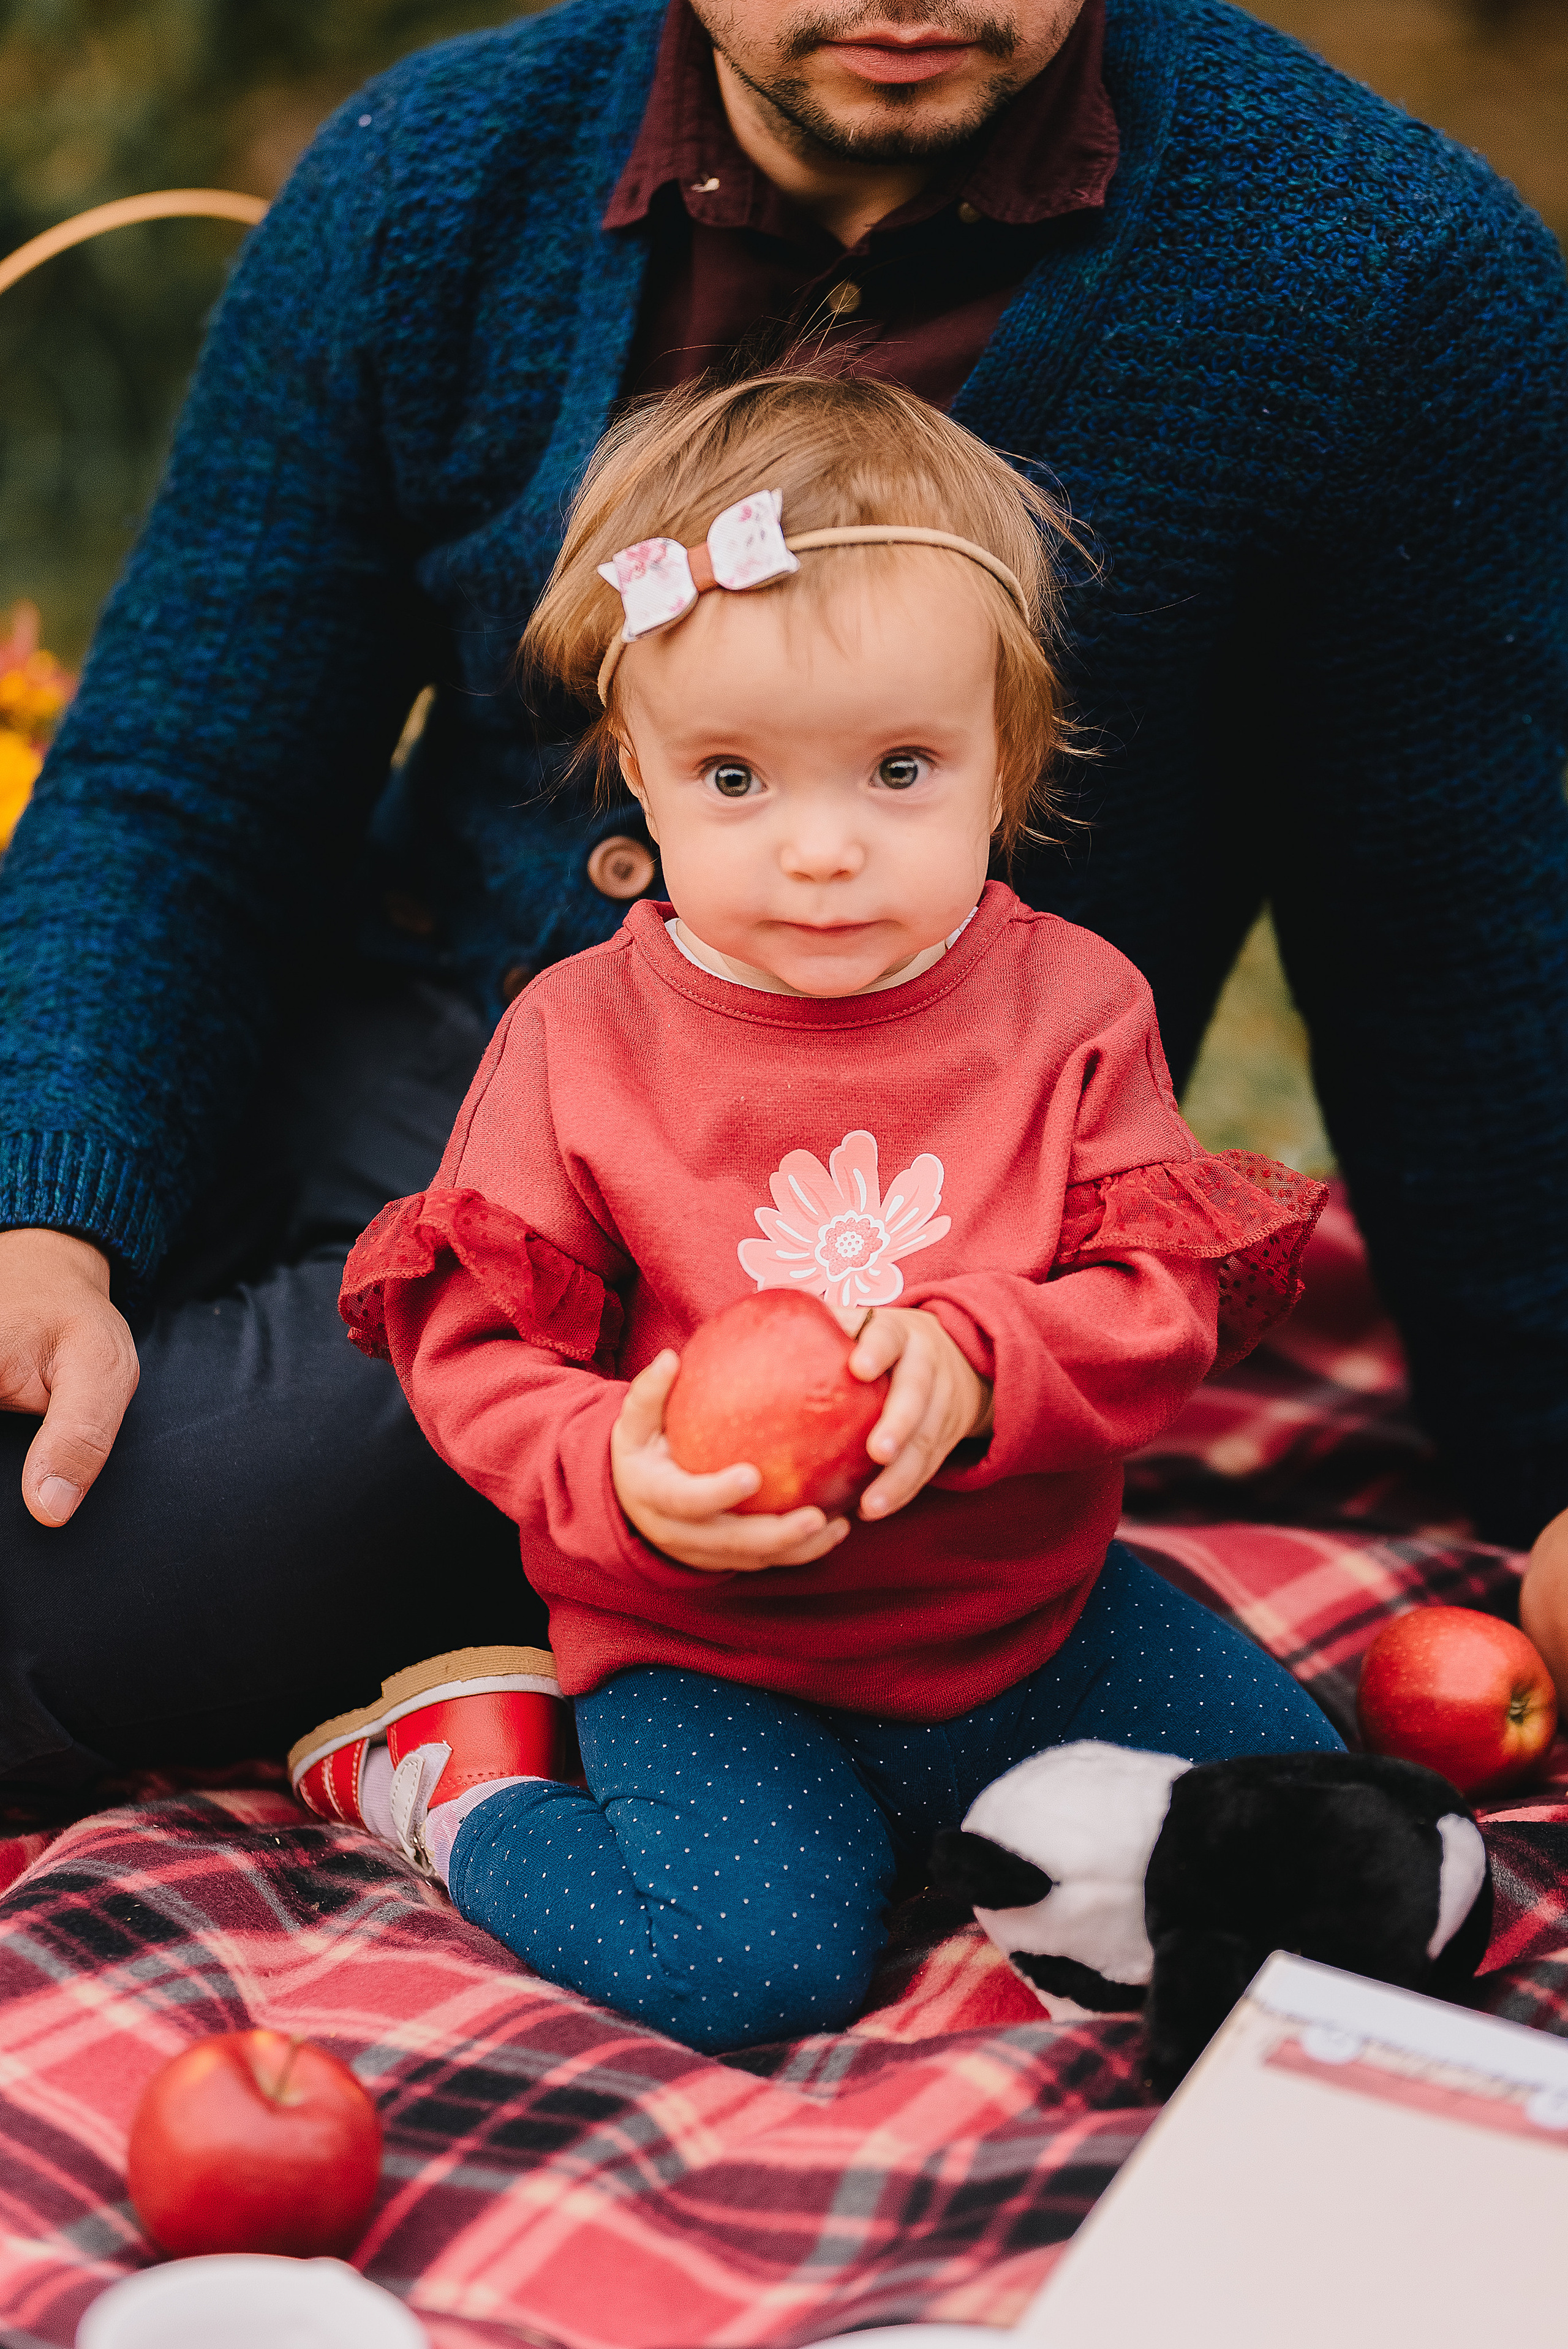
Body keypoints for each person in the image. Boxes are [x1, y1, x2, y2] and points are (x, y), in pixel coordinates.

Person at [1, 0, 1564, 1792]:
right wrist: (46, 1207)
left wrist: (1554, 1461)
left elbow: (1461, 954)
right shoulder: (421, 181)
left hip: (838, 1202)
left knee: (62, 1594)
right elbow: (188, 780)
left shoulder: (1382, 274)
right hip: (403, 1053)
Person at [285, 373, 1340, 2049]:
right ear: (635, 766)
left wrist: (989, 1363)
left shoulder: (1070, 1008)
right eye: (734, 779)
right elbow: (471, 1336)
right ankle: (459, 1794)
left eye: (900, 768)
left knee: (1320, 1832)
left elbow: (1163, 1296)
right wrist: (608, 1460)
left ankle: (1011, 1836)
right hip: (711, 1653)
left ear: (1012, 758)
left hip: (1032, 1628)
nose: (824, 851)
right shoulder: (579, 1038)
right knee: (752, 1969)